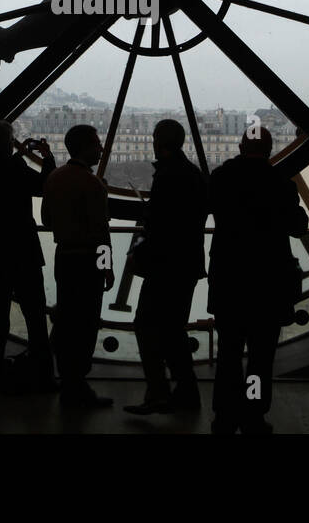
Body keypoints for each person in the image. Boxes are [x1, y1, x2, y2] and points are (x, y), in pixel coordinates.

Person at [207, 127, 307, 434]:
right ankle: (253, 414)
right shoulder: (281, 184)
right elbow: (298, 227)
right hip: (269, 282)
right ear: (269, 148)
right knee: (260, 358)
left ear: (239, 146)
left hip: (230, 279)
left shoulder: (222, 180)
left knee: (228, 353)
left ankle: (225, 415)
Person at [123, 119, 209, 415]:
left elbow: (161, 230)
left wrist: (139, 255)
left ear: (158, 142)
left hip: (165, 269)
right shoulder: (191, 175)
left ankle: (160, 391)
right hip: (184, 267)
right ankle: (182, 391)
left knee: (148, 327)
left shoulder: (167, 177)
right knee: (172, 332)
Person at [0, 120, 57, 393]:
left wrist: (20, 153)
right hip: (22, 250)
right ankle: (43, 373)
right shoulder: (16, 167)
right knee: (35, 314)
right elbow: (43, 185)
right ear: (9, 142)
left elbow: (5, 170)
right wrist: (47, 158)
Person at [40, 124, 115, 408]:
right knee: (85, 323)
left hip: (66, 258)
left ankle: (69, 381)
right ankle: (77, 384)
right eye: (97, 144)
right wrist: (107, 267)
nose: (100, 148)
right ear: (85, 147)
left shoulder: (55, 178)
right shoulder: (93, 184)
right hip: (88, 261)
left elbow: (47, 220)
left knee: (69, 319)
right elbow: (100, 231)